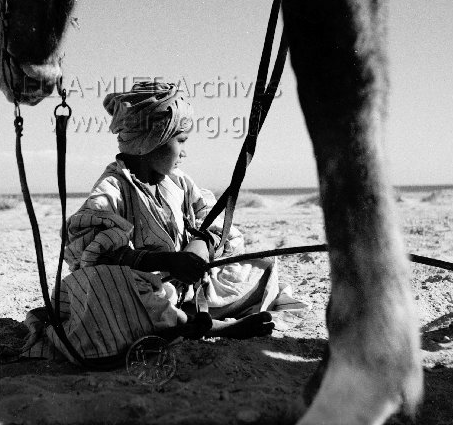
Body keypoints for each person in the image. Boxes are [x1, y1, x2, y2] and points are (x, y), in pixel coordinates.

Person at [23, 81, 306, 363]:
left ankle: (184, 315)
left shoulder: (179, 182)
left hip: (185, 286)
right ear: (152, 141)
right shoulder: (112, 188)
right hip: (143, 287)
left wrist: (200, 245)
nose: (185, 152)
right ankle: (206, 326)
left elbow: (213, 219)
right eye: (180, 141)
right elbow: (93, 253)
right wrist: (167, 262)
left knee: (259, 267)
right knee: (108, 287)